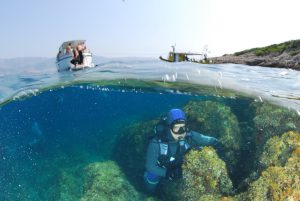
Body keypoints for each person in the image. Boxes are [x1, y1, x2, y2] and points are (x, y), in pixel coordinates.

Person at [144, 108, 220, 193]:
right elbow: (150, 166)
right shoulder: (157, 143)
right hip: (163, 167)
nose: (180, 132)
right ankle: (149, 193)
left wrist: (218, 144)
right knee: (152, 176)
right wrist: (168, 173)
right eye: (176, 128)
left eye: (183, 127)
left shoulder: (190, 136)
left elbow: (207, 139)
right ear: (169, 127)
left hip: (180, 166)